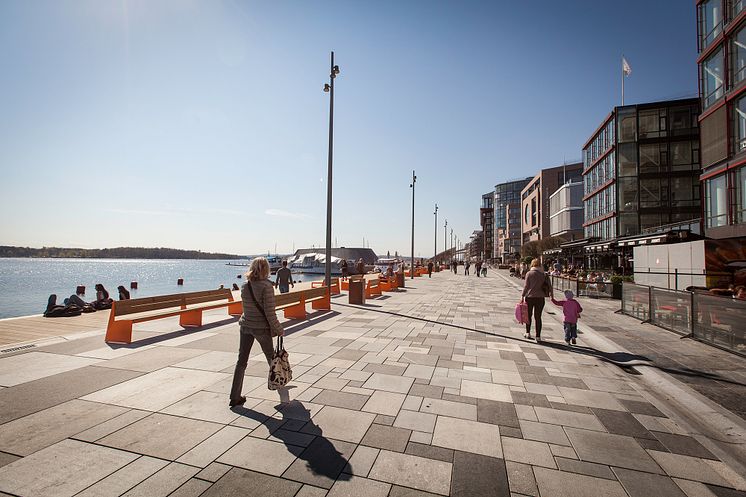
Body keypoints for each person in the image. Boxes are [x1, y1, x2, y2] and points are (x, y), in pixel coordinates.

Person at [230, 257, 284, 408]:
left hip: (246, 325)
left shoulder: (245, 286)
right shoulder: (267, 287)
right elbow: (270, 313)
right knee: (271, 358)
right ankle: (279, 384)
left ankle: (235, 396)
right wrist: (279, 329)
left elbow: (247, 308)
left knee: (241, 361)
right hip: (261, 328)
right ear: (266, 269)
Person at [521, 258, 552, 342]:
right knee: (538, 317)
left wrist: (522, 295)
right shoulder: (544, 274)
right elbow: (549, 286)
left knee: (529, 316)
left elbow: (526, 286)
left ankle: (528, 332)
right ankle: (538, 336)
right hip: (540, 298)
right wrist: (552, 296)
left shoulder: (529, 273)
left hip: (530, 297)